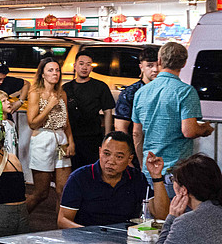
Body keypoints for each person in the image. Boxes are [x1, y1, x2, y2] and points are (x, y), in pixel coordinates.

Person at [132, 41, 213, 191]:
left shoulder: (141, 92)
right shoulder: (186, 92)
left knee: (152, 211)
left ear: (160, 61)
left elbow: (137, 133)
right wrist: (204, 129)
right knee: (176, 212)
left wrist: (143, 163)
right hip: (176, 171)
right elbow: (189, 131)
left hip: (150, 167)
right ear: (184, 64)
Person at [58, 132, 167, 228]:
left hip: (125, 240)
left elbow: (162, 215)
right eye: (106, 154)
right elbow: (63, 221)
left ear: (130, 158)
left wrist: (156, 177)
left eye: (119, 157)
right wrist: (91, 236)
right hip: (87, 241)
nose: (111, 161)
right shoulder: (80, 177)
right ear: (100, 151)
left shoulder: (136, 178)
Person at [26, 57, 74, 219]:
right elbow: (32, 123)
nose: (55, 73)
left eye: (57, 70)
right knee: (41, 192)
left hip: (61, 140)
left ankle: (61, 225)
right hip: (42, 139)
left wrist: (70, 141)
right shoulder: (35, 93)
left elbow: (66, 120)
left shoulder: (61, 93)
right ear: (42, 74)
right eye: (50, 70)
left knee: (63, 190)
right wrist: (48, 106)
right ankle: (17, 218)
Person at [63, 51, 116, 170]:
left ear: (91, 67)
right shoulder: (66, 88)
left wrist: (107, 137)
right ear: (75, 66)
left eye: (88, 64)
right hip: (71, 138)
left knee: (92, 171)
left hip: (93, 138)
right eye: (81, 64)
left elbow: (108, 112)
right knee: (71, 172)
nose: (84, 67)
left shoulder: (100, 86)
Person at [114, 45, 160, 134]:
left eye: (158, 65)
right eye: (149, 66)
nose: (155, 69)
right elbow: (120, 127)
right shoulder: (130, 93)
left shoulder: (167, 90)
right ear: (141, 67)